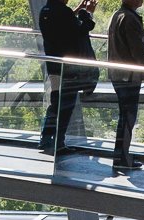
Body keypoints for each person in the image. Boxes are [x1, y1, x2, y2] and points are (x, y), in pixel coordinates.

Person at [38, 0, 98, 156]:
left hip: (54, 66)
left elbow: (63, 27)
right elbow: (81, 30)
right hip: (68, 68)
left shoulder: (45, 10)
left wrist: (76, 10)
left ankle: (45, 138)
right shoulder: (63, 13)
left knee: (56, 102)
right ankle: (59, 143)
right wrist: (89, 13)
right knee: (66, 105)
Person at [108, 0, 144, 173]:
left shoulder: (118, 15)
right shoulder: (129, 19)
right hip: (128, 76)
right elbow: (139, 50)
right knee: (128, 117)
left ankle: (121, 156)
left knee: (124, 117)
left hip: (118, 73)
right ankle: (122, 158)